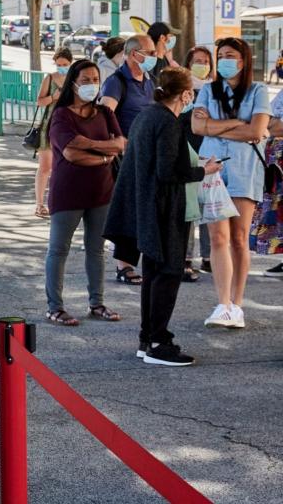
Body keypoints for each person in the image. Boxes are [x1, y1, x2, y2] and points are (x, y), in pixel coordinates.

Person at [106, 68, 221, 366]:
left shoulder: (147, 115)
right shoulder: (168, 122)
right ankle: (158, 342)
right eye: (190, 92)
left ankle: (148, 339)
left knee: (154, 275)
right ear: (184, 94)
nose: (192, 96)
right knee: (168, 274)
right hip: (165, 209)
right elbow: (169, 171)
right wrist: (202, 171)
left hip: (146, 207)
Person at [192, 37, 272, 328]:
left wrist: (218, 126)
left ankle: (237, 304)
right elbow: (197, 126)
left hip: (244, 170)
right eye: (221, 55)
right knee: (217, 238)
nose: (224, 60)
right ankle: (222, 304)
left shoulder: (258, 90)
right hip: (212, 169)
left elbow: (258, 131)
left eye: (230, 55)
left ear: (243, 60)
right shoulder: (208, 90)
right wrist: (238, 124)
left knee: (238, 238)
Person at [43, 59, 124, 326]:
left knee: (96, 249)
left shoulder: (104, 112)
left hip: (102, 191)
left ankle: (96, 303)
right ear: (73, 83)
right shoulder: (62, 115)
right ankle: (55, 307)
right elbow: (71, 152)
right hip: (68, 193)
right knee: (59, 249)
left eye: (95, 79)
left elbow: (120, 144)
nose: (92, 84)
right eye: (86, 80)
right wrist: (103, 152)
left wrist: (94, 148)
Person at [100, 34, 158, 285]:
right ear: (134, 54)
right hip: (125, 158)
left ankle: (136, 261)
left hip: (149, 156)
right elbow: (104, 114)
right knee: (128, 211)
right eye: (150, 52)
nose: (155, 57)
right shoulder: (117, 82)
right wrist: (117, 141)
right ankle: (124, 266)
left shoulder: (150, 81)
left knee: (143, 211)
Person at [180, 46, 215, 278]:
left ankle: (209, 257)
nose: (201, 64)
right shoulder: (181, 90)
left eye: (205, 61)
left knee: (208, 206)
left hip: (210, 152)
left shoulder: (215, 90)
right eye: (197, 61)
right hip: (186, 151)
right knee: (188, 209)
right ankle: (185, 257)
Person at [33, 48, 72, 218]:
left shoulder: (74, 80)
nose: (62, 67)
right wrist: (54, 97)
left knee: (64, 167)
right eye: (59, 65)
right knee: (45, 167)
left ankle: (58, 202)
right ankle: (39, 204)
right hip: (49, 127)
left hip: (68, 127)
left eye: (65, 65)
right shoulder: (49, 78)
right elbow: (39, 101)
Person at [251, 90, 283, 276]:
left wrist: (266, 125)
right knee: (278, 216)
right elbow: (265, 119)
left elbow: (273, 125)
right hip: (275, 162)